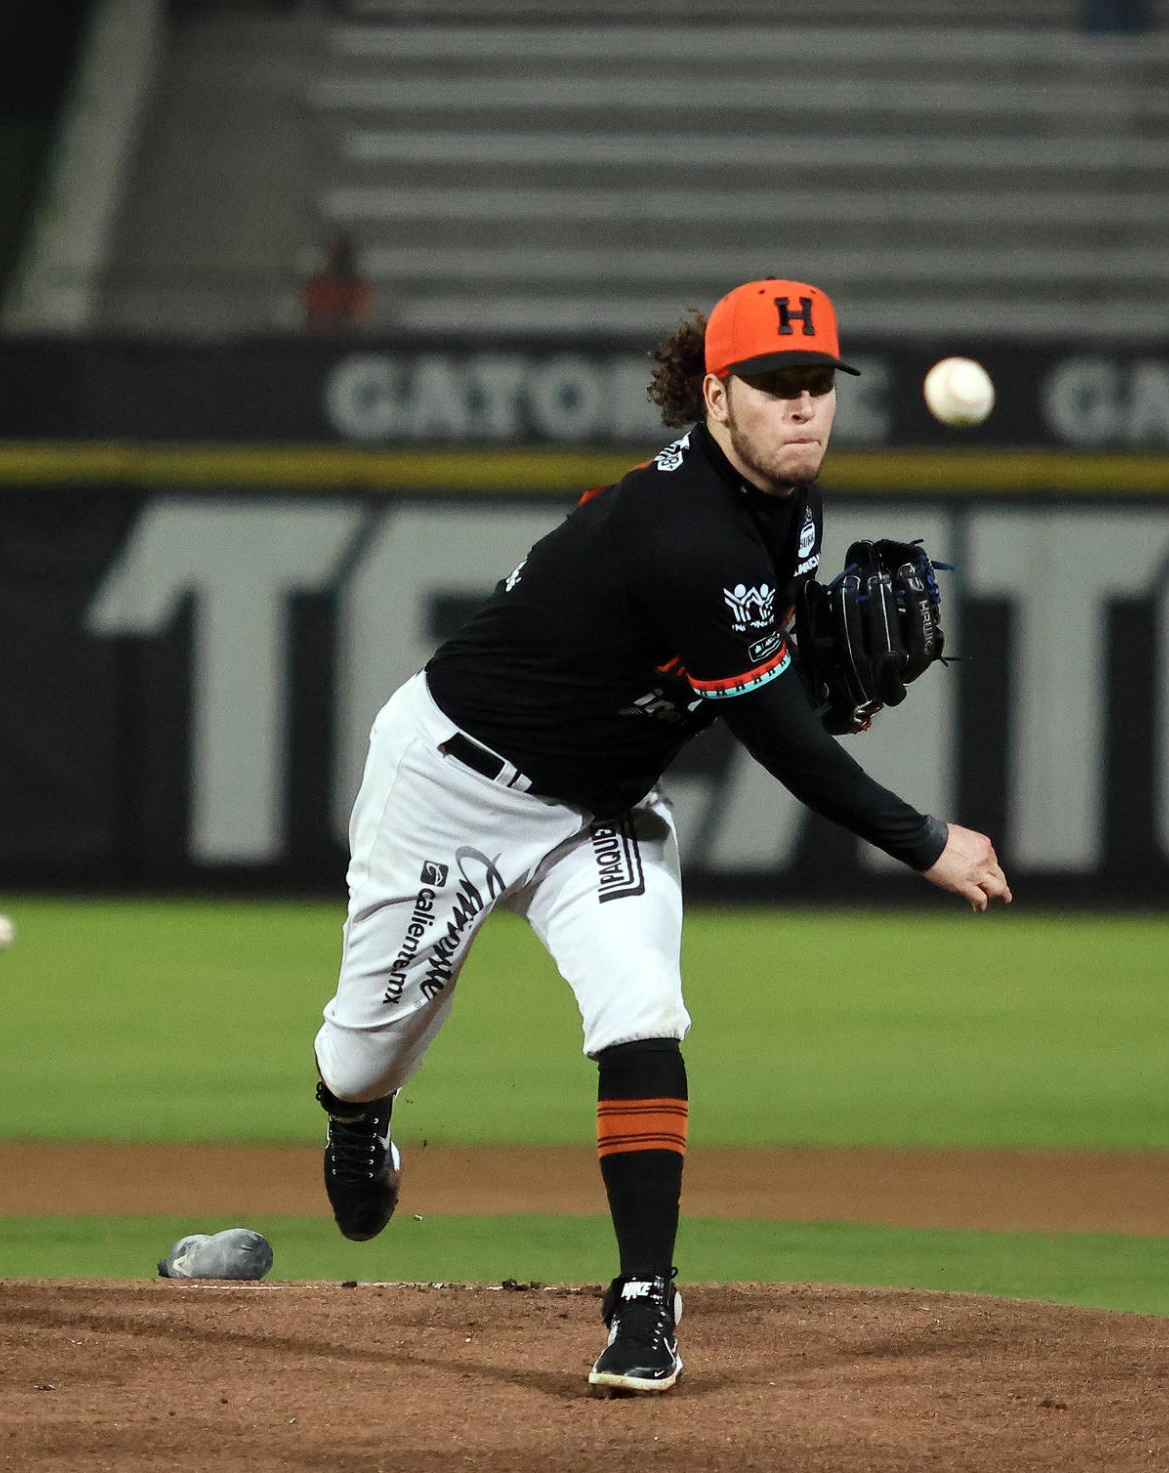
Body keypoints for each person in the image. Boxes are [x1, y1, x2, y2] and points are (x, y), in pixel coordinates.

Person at [311, 280, 1011, 1396]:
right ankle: (357, 1117)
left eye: (818, 386)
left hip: (601, 799)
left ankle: (643, 1302)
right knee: (362, 1049)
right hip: (450, 784)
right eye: (776, 388)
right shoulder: (683, 533)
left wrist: (814, 678)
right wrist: (922, 839)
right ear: (715, 395)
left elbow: (746, 675)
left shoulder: (791, 506)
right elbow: (780, 740)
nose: (802, 410)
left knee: (640, 1008)